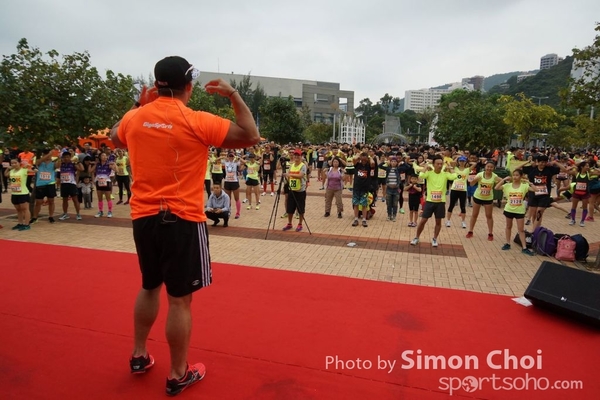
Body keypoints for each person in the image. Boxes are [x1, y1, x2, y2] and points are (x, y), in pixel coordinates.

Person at [110, 56, 259, 396]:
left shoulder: (135, 118)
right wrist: (233, 94)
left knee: (149, 286)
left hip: (143, 217)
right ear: (189, 86)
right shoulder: (195, 120)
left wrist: (138, 105)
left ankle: (139, 354)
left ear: (156, 85)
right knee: (179, 301)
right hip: (181, 219)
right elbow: (251, 135)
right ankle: (178, 373)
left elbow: (114, 137)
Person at [410, 156, 457, 247]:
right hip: (430, 201)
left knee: (438, 222)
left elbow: (454, 177)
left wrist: (450, 167)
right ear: (433, 164)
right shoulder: (429, 173)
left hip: (440, 202)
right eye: (437, 164)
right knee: (423, 220)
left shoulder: (445, 174)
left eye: (441, 164)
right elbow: (421, 176)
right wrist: (426, 166)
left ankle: (435, 238)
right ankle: (416, 237)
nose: (439, 165)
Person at [495, 169, 535, 256]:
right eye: (514, 175)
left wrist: (529, 182)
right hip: (509, 209)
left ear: (521, 176)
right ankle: (507, 243)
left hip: (519, 211)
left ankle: (524, 247)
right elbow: (496, 188)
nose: (515, 177)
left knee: (521, 229)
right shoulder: (507, 185)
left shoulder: (524, 186)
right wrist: (503, 179)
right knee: (508, 226)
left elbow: (535, 190)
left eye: (517, 175)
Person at [466, 161, 502, 240]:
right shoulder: (480, 174)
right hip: (478, 197)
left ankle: (490, 233)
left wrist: (502, 181)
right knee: (474, 214)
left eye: (491, 167)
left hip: (488, 198)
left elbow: (501, 181)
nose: (489, 168)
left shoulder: (494, 176)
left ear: (494, 168)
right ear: (485, 167)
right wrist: (475, 180)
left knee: (489, 215)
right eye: (488, 166)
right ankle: (470, 231)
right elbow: (471, 184)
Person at [282, 149, 307, 231]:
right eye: (295, 155)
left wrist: (289, 175)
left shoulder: (303, 166)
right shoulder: (292, 165)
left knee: (300, 208)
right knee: (290, 208)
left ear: (301, 156)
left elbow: (300, 175)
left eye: (298, 155)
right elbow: (289, 176)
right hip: (292, 189)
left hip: (300, 190)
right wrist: (286, 184)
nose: (296, 157)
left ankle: (300, 224)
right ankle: (289, 223)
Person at [30, 149, 57, 224]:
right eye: (45, 154)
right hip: (40, 184)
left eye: (47, 154)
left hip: (50, 184)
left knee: (51, 201)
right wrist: (49, 154)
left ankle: (51, 216)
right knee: (38, 202)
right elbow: (37, 162)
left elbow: (58, 165)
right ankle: (35, 217)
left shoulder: (53, 163)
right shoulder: (39, 162)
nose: (47, 156)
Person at [4, 158, 31, 230]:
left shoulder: (24, 170)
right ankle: (20, 223)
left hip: (23, 193)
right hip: (15, 193)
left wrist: (28, 165)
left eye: (15, 163)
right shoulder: (11, 171)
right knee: (18, 210)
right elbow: (6, 175)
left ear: (19, 163)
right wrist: (7, 168)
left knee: (25, 209)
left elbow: (34, 171)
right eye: (12, 163)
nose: (13, 164)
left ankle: (27, 224)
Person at [57, 151, 84, 221]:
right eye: (64, 157)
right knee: (64, 200)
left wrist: (78, 162)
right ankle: (65, 214)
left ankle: (78, 214)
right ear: (63, 158)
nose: (66, 158)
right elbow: (57, 172)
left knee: (75, 199)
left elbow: (82, 169)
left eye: (68, 157)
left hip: (71, 184)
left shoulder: (73, 164)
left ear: (70, 157)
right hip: (63, 184)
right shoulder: (61, 165)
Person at [445, 156, 470, 229]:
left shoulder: (467, 169)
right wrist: (458, 157)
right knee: (451, 205)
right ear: (458, 162)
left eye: (463, 161)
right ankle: (448, 221)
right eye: (460, 161)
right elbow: (451, 162)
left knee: (462, 206)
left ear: (465, 162)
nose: (462, 162)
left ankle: (463, 221)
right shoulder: (455, 168)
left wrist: (467, 159)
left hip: (463, 190)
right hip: (454, 189)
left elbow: (474, 164)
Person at [351, 152, 375, 227]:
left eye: (365, 159)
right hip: (356, 188)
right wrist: (359, 155)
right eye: (362, 159)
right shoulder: (357, 165)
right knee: (356, 204)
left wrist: (369, 157)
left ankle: (364, 220)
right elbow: (354, 159)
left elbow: (373, 163)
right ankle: (356, 219)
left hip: (365, 188)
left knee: (364, 204)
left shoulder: (368, 166)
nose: (363, 161)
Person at [93, 152, 116, 218]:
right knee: (100, 198)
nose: (105, 157)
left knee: (108, 198)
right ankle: (100, 211)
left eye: (105, 155)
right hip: (98, 182)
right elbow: (90, 171)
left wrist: (114, 164)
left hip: (107, 182)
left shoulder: (108, 164)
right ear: (100, 157)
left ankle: (110, 211)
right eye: (103, 155)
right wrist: (94, 164)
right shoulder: (97, 164)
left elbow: (116, 170)